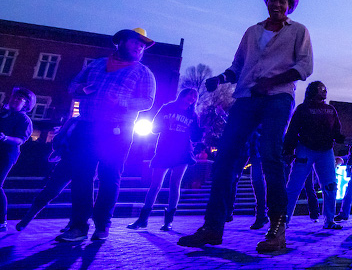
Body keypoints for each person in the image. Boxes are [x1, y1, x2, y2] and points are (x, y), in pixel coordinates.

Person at [178, 0, 312, 253]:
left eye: (282, 1)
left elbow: (304, 67)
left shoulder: (298, 31)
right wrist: (221, 79)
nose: (276, 4)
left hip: (278, 97)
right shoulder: (252, 32)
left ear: (289, 6)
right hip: (246, 98)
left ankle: (277, 228)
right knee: (225, 157)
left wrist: (272, 82)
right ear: (267, 2)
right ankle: (212, 227)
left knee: (271, 155)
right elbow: (238, 67)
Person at [57, 28, 157, 242]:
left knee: (109, 177)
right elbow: (72, 86)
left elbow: (148, 101)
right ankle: (78, 226)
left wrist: (121, 101)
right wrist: (83, 90)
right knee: (82, 176)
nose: (140, 47)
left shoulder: (143, 73)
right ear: (120, 42)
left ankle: (102, 225)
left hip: (117, 131)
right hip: (87, 127)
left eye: (143, 45)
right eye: (135, 42)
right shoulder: (96, 64)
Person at [127, 88, 202, 231]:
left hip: (182, 151)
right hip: (164, 149)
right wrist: (164, 125)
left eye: (195, 97)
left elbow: (195, 137)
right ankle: (142, 219)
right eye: (189, 95)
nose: (191, 98)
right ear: (182, 95)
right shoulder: (167, 108)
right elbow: (154, 128)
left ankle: (168, 221)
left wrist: (201, 129)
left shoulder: (193, 115)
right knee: (155, 185)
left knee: (175, 184)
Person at [282, 81, 344, 230]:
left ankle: (329, 219)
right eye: (321, 89)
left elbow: (336, 128)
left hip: (326, 151)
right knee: (294, 185)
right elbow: (293, 129)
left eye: (325, 88)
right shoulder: (303, 109)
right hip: (305, 149)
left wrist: (340, 137)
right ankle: (283, 220)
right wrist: (289, 150)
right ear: (312, 91)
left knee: (330, 185)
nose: (324, 91)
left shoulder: (330, 109)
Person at [0, 87, 35, 231]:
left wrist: (5, 138)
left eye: (19, 99)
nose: (15, 100)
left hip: (7, 154)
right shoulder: (3, 113)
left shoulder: (24, 120)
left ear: (26, 104)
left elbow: (20, 140)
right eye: (14, 97)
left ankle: (2, 221)